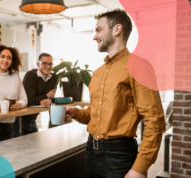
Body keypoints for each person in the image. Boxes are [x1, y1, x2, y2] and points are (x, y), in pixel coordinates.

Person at [64, 9, 165, 178]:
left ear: (117, 29)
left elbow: (155, 120)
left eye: (98, 30)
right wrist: (76, 113)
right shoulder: (97, 73)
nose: (94, 36)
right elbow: (93, 114)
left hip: (120, 158)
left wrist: (140, 168)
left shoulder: (138, 66)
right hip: (91, 153)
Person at [13, 53, 57, 137]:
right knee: (18, 148)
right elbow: (30, 100)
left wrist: (49, 100)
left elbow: (52, 97)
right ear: (38, 64)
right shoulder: (31, 75)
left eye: (50, 64)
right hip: (20, 121)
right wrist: (47, 96)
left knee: (35, 147)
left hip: (33, 119)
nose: (47, 66)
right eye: (44, 63)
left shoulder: (54, 78)